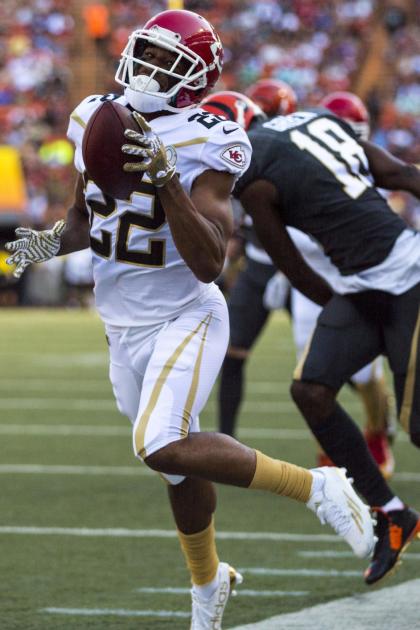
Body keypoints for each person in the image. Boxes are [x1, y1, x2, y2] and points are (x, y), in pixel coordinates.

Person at [5, 10, 374, 629]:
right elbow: (84, 219)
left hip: (185, 315)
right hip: (121, 324)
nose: (145, 68)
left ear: (193, 78)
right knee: (178, 462)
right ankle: (209, 584)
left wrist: (168, 182)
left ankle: (318, 488)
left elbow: (208, 262)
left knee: (158, 443)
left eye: (163, 62)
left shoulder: (210, 136)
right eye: (143, 53)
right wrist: (40, 246)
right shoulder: (98, 116)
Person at [233, 97, 420, 586]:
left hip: (407, 281)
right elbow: (402, 174)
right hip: (371, 281)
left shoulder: (253, 171)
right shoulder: (319, 117)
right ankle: (392, 513)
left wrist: (338, 302)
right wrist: (350, 306)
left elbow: (293, 267)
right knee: (311, 389)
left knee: (418, 425)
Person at [209, 86, 395, 480]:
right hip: (275, 263)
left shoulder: (299, 154)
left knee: (354, 368)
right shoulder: (245, 151)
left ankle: (378, 429)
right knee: (303, 367)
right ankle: (321, 447)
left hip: (332, 266)